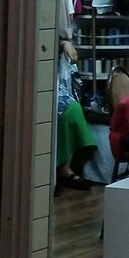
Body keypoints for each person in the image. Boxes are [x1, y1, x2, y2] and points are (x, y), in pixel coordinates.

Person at [55, 39, 96, 191]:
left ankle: (65, 167)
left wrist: (65, 43)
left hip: (56, 80)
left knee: (73, 109)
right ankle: (58, 169)